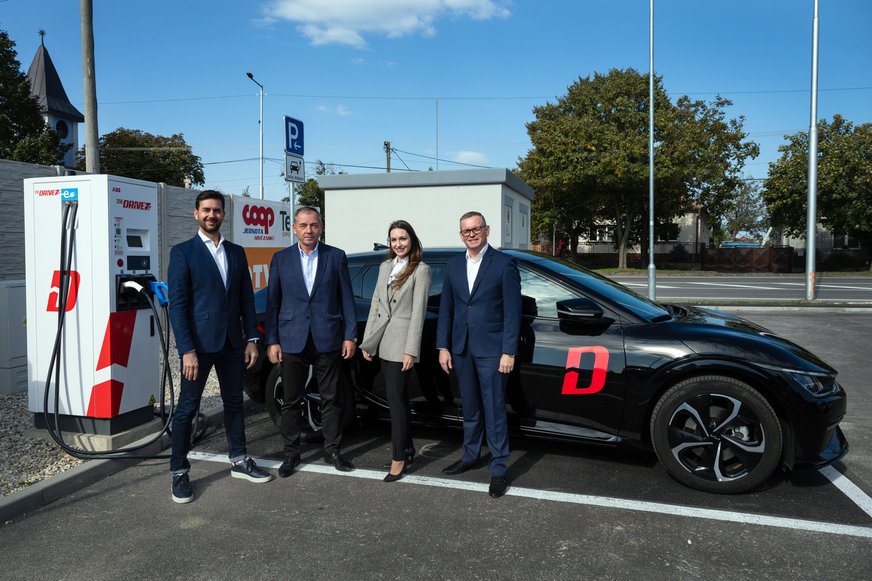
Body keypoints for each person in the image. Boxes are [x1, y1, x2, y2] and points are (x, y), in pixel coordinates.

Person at [167, 190, 273, 504]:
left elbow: (246, 299)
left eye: (216, 210)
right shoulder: (183, 252)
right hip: (197, 348)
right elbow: (178, 306)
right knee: (187, 408)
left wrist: (251, 339)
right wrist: (186, 349)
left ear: (223, 214)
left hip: (232, 344)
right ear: (196, 214)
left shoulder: (236, 252)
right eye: (206, 210)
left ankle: (239, 460)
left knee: (235, 404)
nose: (211, 215)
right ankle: (179, 471)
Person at [265, 206, 358, 477]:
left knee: (332, 398)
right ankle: (291, 453)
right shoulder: (280, 259)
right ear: (294, 228)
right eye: (303, 225)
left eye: (314, 225)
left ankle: (333, 450)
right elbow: (273, 304)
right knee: (291, 400)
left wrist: (350, 335)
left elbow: (346, 299)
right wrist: (272, 340)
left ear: (321, 227)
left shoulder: (336, 256)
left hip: (327, 337)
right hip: (291, 338)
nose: (309, 230)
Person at [436, 211, 521, 498]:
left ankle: (498, 468)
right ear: (460, 235)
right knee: (470, 407)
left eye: (476, 229)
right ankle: (470, 455)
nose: (471, 234)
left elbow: (513, 312)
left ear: (487, 230)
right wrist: (443, 346)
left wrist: (508, 351)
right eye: (466, 231)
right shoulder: (453, 264)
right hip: (461, 348)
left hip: (492, 350)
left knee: (494, 409)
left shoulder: (504, 263)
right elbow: (446, 308)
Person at [359, 220, 432, 482]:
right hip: (383, 341)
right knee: (395, 400)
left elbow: (418, 314)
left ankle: (398, 457)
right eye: (393, 239)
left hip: (402, 345)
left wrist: (410, 351)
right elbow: (376, 304)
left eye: (403, 238)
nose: (398, 244)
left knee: (397, 402)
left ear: (412, 240)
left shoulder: (421, 270)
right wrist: (368, 342)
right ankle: (408, 448)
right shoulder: (385, 266)